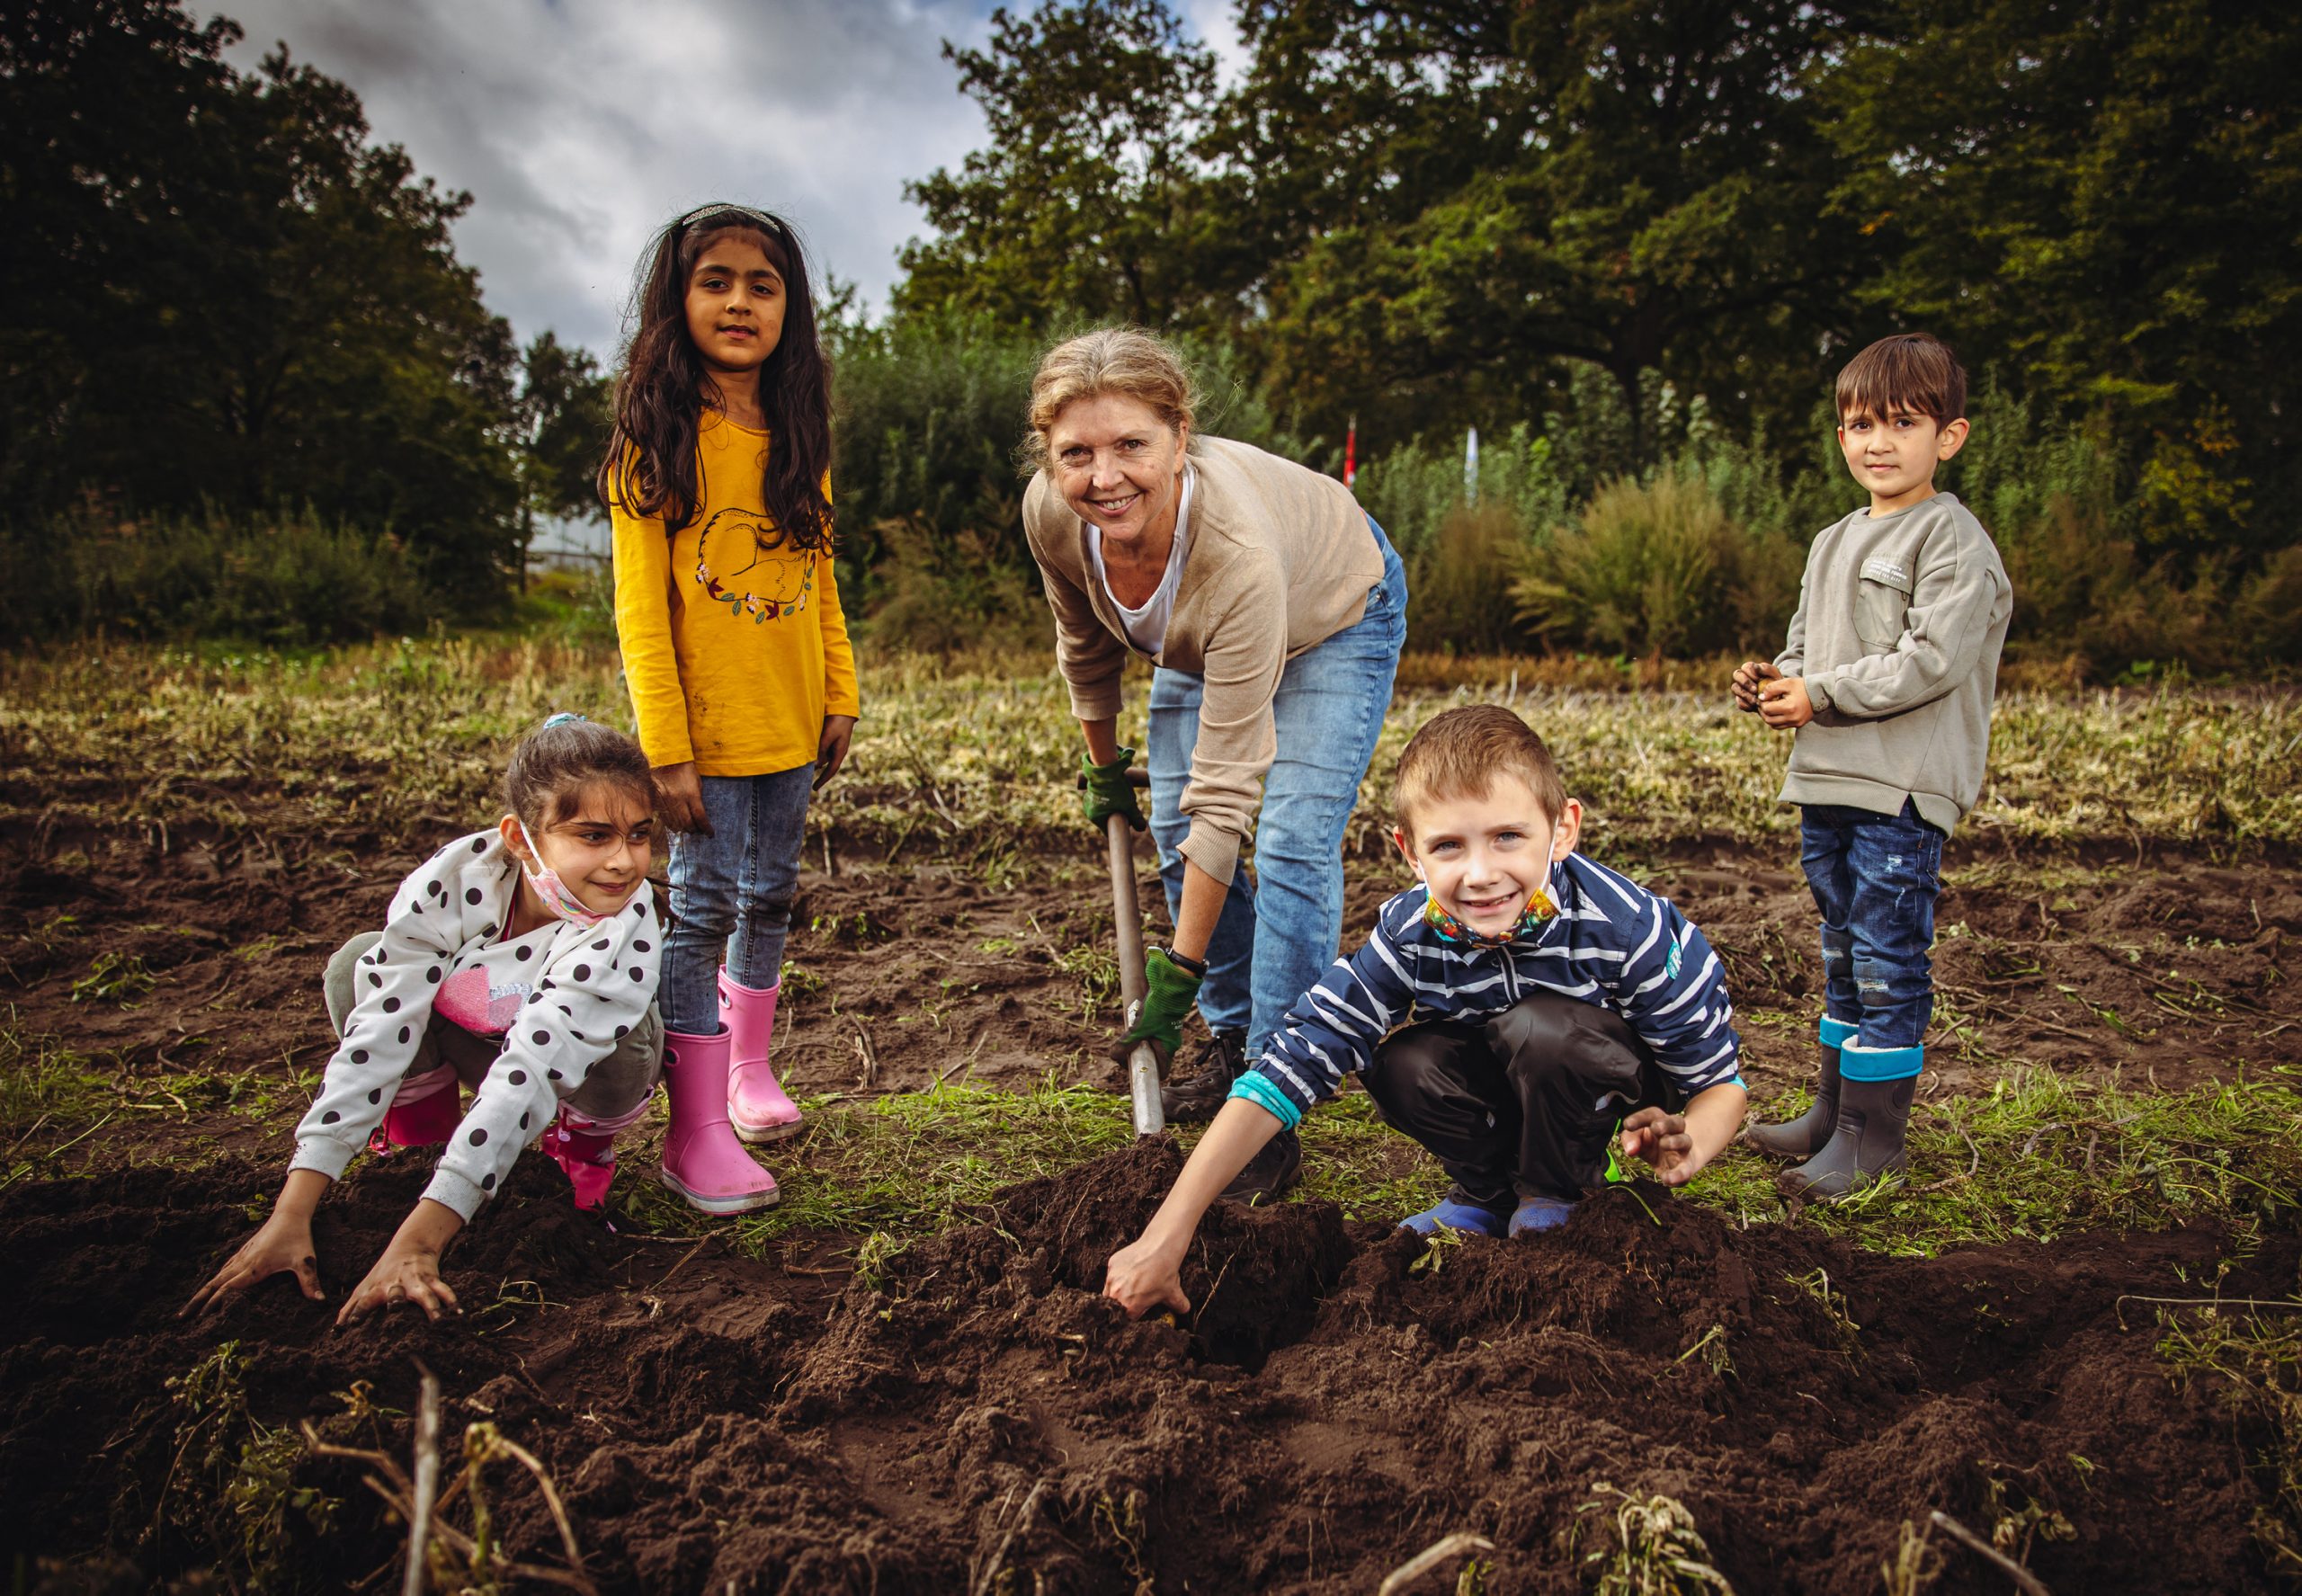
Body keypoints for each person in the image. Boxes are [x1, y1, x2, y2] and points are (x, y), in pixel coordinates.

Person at [1103, 706, 1748, 1315]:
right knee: (1401, 1062)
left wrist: (1689, 1147)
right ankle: (1489, 1195)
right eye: (1448, 847)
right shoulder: (1412, 931)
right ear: (1410, 852)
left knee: (1543, 1030)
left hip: (1611, 1100)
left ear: (1563, 829)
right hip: (1509, 1069)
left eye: (1507, 837)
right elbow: (1294, 1060)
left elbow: (1719, 1084)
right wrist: (1170, 1229)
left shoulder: (1627, 926)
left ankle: (1563, 1188)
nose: (1480, 873)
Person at [1022, 327, 1407, 1202]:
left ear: (1179, 435)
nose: (1104, 476)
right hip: (1199, 642)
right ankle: (1235, 1043)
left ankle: (1270, 1100)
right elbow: (1081, 642)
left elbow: (1225, 799)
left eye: (1131, 445)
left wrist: (1174, 978)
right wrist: (1103, 764)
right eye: (1076, 453)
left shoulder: (1235, 554)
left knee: (1291, 838)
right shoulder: (1055, 514)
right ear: (1048, 458)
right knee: (1166, 822)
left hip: (1334, 611)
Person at [185, 716, 668, 1324]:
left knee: (625, 1039)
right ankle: (421, 1140)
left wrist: (420, 1242)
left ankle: (577, 1148)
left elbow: (532, 1069)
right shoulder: (456, 880)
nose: (624, 862)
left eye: (639, 834)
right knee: (358, 965)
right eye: (594, 836)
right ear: (521, 839)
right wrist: (292, 1212)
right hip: (477, 1035)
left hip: (565, 1069)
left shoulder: (623, 925)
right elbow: (380, 1029)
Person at [600, 203, 860, 1214]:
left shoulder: (796, 434)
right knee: (700, 910)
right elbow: (639, 614)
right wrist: (666, 748)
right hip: (703, 740)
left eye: (763, 284)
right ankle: (693, 1128)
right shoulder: (654, 440)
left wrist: (840, 689)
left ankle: (747, 1071)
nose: (741, 301)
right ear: (679, 299)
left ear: (790, 307)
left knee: (771, 894)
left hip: (792, 724)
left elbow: (821, 575)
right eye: (717, 281)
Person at [1734, 332, 2012, 1198]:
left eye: (1902, 422)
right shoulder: (1831, 539)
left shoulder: (1953, 540)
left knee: (1890, 954)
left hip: (1900, 787)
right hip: (1828, 779)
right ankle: (1830, 1114)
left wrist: (1818, 691)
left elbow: (1930, 661)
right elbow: (1804, 645)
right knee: (1845, 950)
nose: (1877, 442)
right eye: (1859, 424)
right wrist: (1777, 681)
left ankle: (1870, 1139)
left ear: (1950, 436)